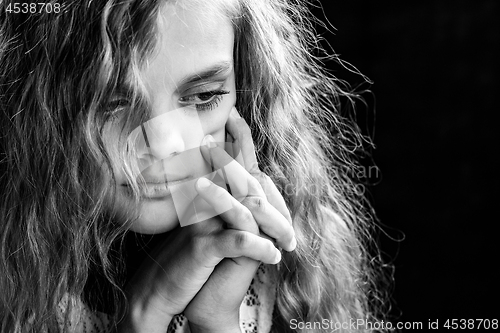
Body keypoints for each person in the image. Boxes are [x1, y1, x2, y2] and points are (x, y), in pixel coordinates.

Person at [0, 0, 388, 332]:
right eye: (111, 102)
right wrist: (145, 316)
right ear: (41, 112)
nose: (165, 143)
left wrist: (216, 320)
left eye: (204, 96)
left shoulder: (290, 261)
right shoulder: (14, 278)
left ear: (245, 86)